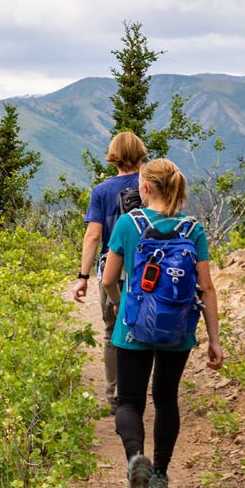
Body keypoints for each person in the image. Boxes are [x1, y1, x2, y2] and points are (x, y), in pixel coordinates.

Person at [101, 158, 223, 488]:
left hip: (133, 327)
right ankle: (160, 477)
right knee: (167, 399)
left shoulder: (128, 223)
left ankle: (135, 458)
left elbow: (109, 279)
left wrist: (120, 305)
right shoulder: (193, 229)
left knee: (129, 403)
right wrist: (214, 341)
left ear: (146, 188)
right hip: (178, 330)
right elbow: (207, 288)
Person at [72, 132, 150, 410]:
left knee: (112, 330)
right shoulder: (151, 184)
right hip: (151, 270)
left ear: (113, 154)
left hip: (113, 273)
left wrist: (82, 277)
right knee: (146, 327)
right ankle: (139, 389)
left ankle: (115, 393)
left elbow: (93, 236)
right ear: (140, 152)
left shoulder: (102, 192)